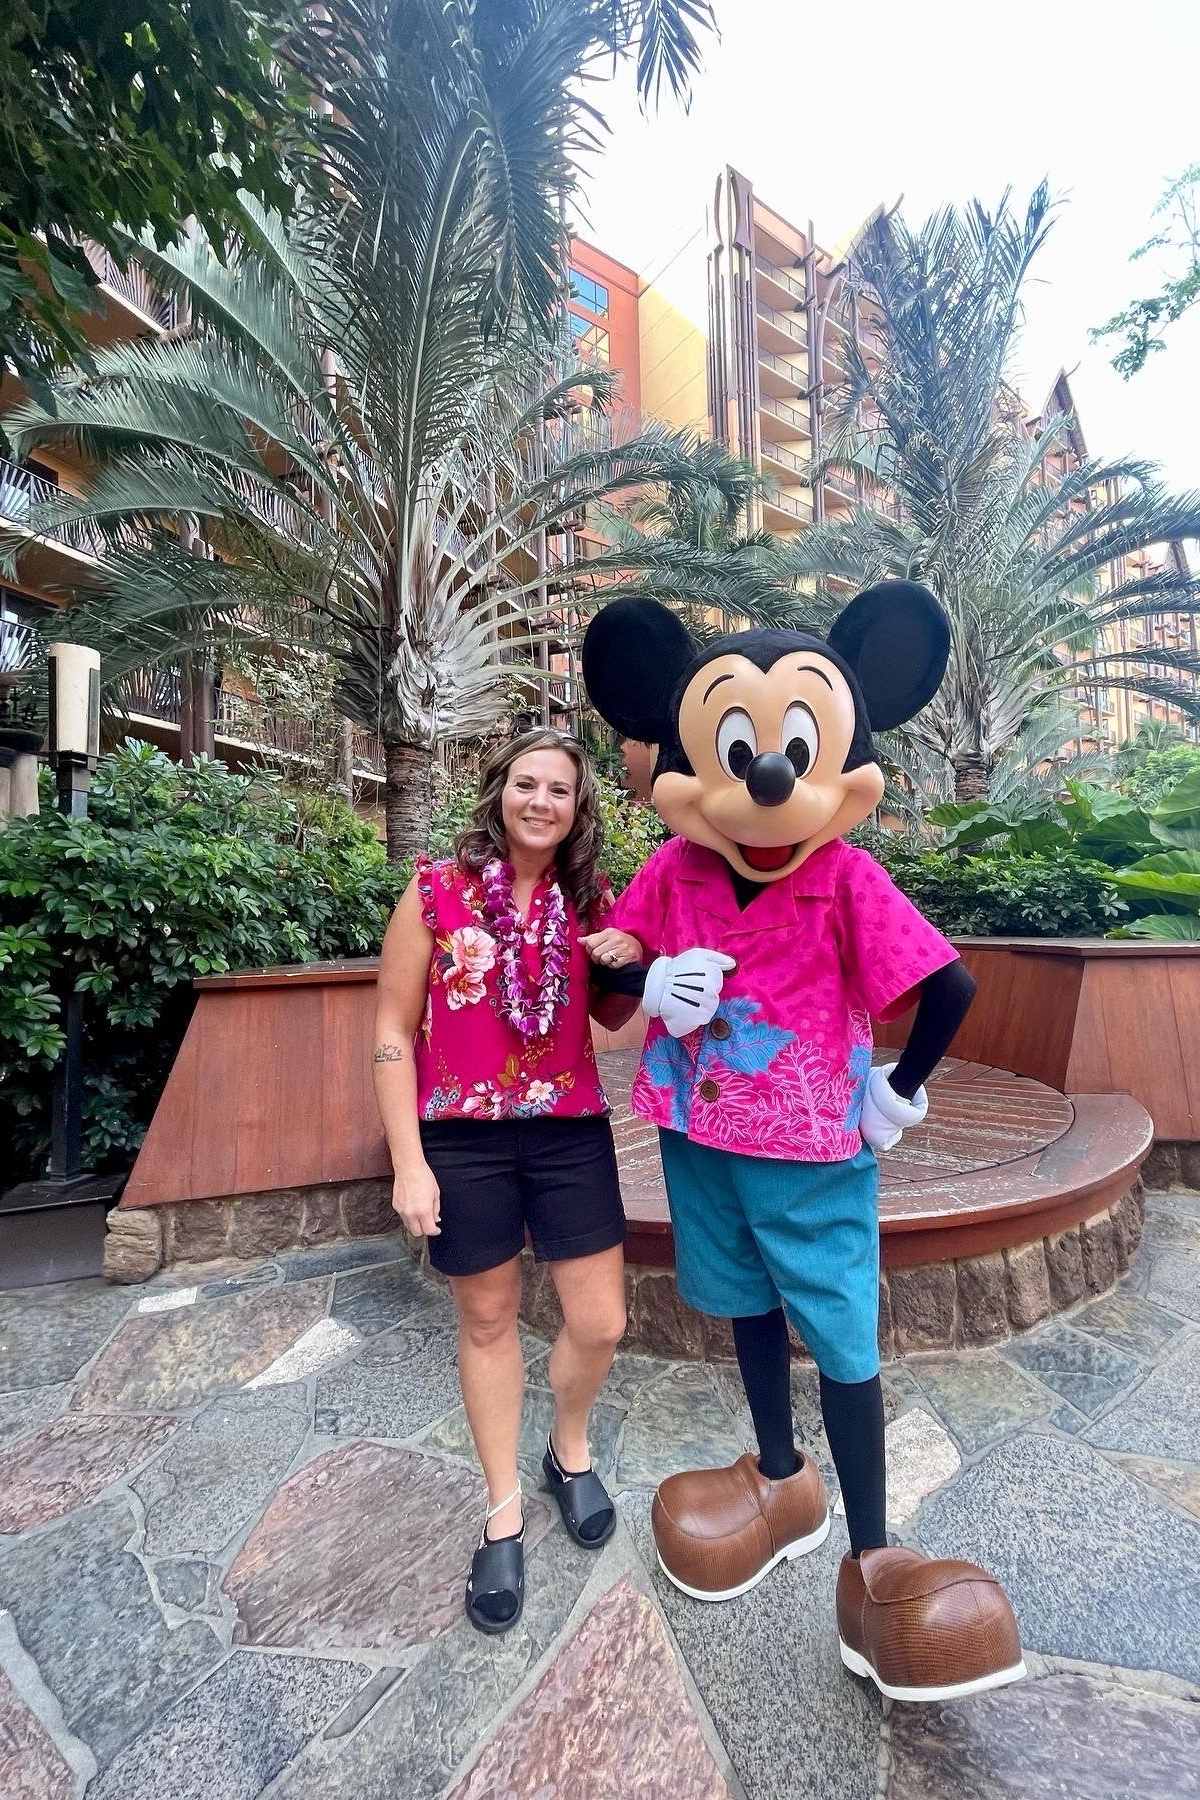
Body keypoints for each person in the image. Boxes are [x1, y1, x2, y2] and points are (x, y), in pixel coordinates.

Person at [578, 584, 1026, 1706]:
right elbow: (612, 962)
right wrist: (642, 976)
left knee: (842, 1339)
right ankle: (781, 1481)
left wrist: (898, 1092)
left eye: (787, 750)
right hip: (698, 1132)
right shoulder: (676, 870)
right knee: (742, 1303)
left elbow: (950, 986)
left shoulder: (842, 874)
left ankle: (872, 1559)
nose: (765, 778)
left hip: (815, 1147)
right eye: (736, 749)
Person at [371, 728, 640, 1637]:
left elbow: (616, 1011)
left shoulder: (590, 899)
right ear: (499, 790)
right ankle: (503, 1509)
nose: (541, 802)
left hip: (568, 1132)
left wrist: (628, 960)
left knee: (601, 1321)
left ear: (577, 807)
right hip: (462, 1138)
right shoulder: (435, 892)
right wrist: (409, 1161)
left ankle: (568, 1450)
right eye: (527, 784)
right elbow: (390, 1032)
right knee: (486, 1319)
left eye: (559, 790)